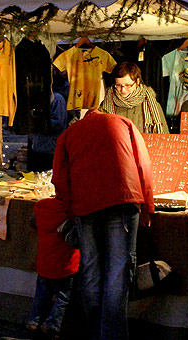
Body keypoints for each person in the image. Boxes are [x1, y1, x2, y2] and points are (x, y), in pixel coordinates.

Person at [52, 109, 154, 340]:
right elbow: (143, 166)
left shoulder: (69, 134)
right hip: (123, 199)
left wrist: (71, 209)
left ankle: (95, 331)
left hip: (85, 205)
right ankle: (112, 335)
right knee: (118, 269)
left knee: (90, 268)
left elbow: (59, 178)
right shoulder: (125, 123)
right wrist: (148, 205)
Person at [26, 197, 79, 340]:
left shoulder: (42, 209)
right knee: (63, 298)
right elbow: (76, 240)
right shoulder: (69, 213)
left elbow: (33, 224)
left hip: (44, 263)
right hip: (65, 266)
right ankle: (52, 325)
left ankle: (34, 321)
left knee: (42, 295)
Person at [100, 61, 168, 134]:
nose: (123, 90)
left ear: (137, 81)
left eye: (128, 85)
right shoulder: (105, 106)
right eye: (119, 85)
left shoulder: (153, 106)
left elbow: (165, 136)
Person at [28, 78, 68, 172]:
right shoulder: (41, 99)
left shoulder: (57, 99)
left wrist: (39, 122)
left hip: (50, 148)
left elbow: (57, 123)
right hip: (39, 147)